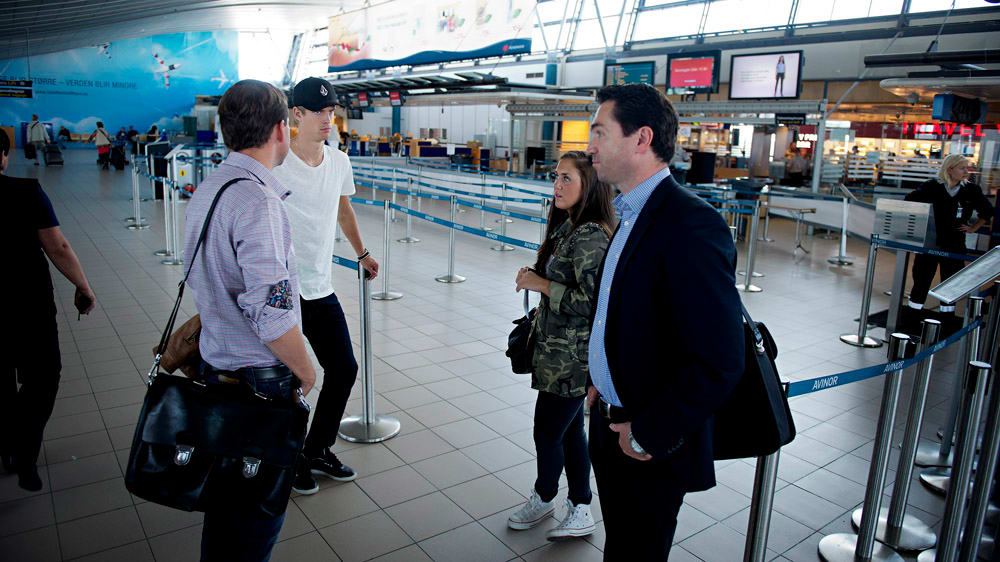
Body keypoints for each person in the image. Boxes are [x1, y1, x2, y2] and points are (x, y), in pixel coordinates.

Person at [584, 84, 745, 560]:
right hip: (610, 419)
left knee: (638, 552)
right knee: (620, 544)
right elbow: (624, 311)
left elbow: (721, 358)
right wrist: (601, 376)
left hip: (647, 439)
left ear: (641, 138)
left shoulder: (690, 223)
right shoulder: (630, 212)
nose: (589, 146)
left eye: (599, 132)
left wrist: (650, 433)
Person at [182, 79, 317, 562]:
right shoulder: (258, 202)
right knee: (255, 517)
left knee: (225, 506)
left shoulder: (210, 189)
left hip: (215, 368)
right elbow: (270, 311)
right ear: (281, 129)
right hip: (258, 383)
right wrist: (305, 371)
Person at [270, 77, 377, 494]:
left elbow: (343, 208)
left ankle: (316, 449)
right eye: (318, 111)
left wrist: (362, 253)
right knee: (286, 378)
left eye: (331, 111)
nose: (327, 118)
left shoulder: (339, 161)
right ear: (296, 114)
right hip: (281, 292)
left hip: (319, 287)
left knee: (344, 369)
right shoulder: (276, 163)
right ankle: (284, 458)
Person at [508, 151, 614, 541]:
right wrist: (536, 275)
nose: (557, 185)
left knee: (547, 432)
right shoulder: (569, 226)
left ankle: (545, 496)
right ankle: (581, 505)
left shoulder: (590, 235)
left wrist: (541, 284)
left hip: (572, 358)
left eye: (566, 178)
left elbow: (592, 302)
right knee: (569, 433)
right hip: (556, 352)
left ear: (590, 185)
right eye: (555, 176)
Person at [0, 130, 96, 491]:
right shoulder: (26, 192)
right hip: (27, 303)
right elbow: (57, 247)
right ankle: (25, 453)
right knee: (42, 378)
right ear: (3, 157)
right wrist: (83, 287)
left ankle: (9, 445)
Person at [904, 154, 993, 316]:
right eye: (962, 168)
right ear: (950, 169)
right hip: (930, 242)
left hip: (955, 243)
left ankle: (947, 317)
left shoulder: (971, 190)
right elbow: (909, 202)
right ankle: (912, 315)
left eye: (967, 168)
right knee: (922, 280)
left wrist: (973, 228)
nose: (966, 172)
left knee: (950, 282)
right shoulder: (931, 187)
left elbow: (987, 211)